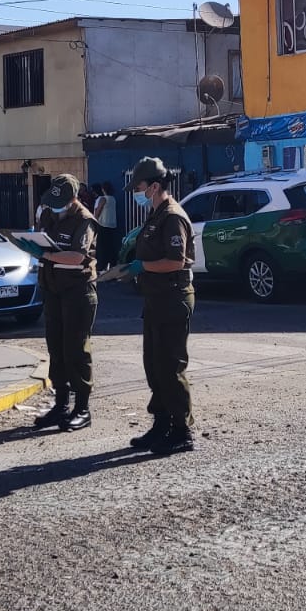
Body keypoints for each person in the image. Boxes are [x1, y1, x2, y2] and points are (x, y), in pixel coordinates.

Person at [115, 156, 196, 454]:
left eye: (139, 187)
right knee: (154, 364)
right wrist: (131, 270)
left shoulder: (172, 216)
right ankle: (161, 424)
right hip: (156, 298)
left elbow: (175, 261)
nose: (137, 193)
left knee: (170, 365)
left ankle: (182, 430)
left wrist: (143, 267)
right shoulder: (155, 214)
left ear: (154, 186)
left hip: (173, 297)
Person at [30, 175, 99, 432]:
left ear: (73, 199)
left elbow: (77, 256)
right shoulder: (48, 215)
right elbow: (42, 241)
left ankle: (82, 408)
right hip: (53, 289)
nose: (55, 206)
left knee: (76, 350)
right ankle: (61, 405)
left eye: (60, 202)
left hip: (77, 291)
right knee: (56, 348)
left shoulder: (84, 220)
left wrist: (45, 254)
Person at [93, 180, 120, 267]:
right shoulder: (113, 199)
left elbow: (98, 211)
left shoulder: (103, 199)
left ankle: (101, 264)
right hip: (112, 225)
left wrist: (94, 220)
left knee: (101, 246)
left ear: (103, 189)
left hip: (103, 224)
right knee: (111, 245)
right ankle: (112, 263)